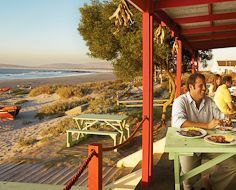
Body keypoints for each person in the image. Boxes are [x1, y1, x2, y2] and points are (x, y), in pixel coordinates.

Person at [172, 73, 236, 190]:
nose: (204, 89)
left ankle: (210, 182)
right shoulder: (180, 101)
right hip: (188, 146)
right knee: (189, 179)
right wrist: (207, 125)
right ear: (191, 87)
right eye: (200, 86)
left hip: (210, 144)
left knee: (233, 166)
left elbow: (221, 116)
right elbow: (178, 122)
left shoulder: (209, 101)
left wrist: (226, 121)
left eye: (205, 85)